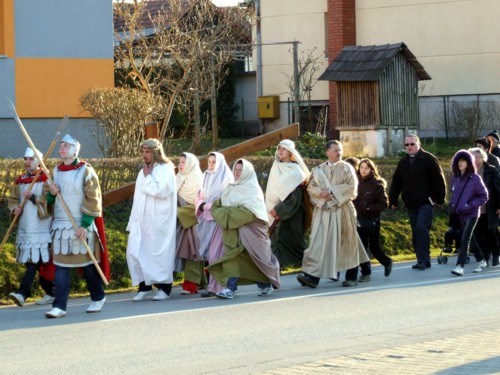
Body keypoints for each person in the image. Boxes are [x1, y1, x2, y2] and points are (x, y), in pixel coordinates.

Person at [45, 134, 109, 318]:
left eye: (65, 146)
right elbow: (48, 201)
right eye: (61, 146)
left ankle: (98, 297)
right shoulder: (55, 172)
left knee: (88, 266)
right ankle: (59, 306)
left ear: (74, 149)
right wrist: (51, 193)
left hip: (81, 226)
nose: (61, 149)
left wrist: (85, 224)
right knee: (61, 267)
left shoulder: (86, 171)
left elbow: (93, 198)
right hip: (60, 228)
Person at [297, 140, 369, 288]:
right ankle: (311, 277)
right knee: (318, 244)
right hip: (324, 212)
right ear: (327, 152)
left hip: (342, 211)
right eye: (336, 150)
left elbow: (352, 188)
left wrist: (331, 191)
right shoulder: (318, 170)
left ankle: (351, 276)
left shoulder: (347, 168)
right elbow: (311, 189)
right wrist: (322, 194)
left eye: (340, 150)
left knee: (347, 243)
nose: (339, 153)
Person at [207, 159, 281, 299]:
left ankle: (265, 285)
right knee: (233, 259)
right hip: (234, 235)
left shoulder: (252, 190)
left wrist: (226, 214)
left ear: (247, 172)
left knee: (255, 259)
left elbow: (248, 213)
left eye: (240, 170)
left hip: (252, 234)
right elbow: (216, 207)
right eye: (235, 169)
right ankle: (230, 289)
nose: (237, 173)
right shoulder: (230, 188)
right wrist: (227, 213)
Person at [126, 139, 177, 302]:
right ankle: (144, 286)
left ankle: (164, 288)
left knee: (158, 254)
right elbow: (138, 197)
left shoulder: (166, 168)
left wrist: (148, 177)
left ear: (155, 152)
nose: (144, 155)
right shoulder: (144, 170)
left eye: (147, 152)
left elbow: (161, 191)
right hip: (141, 219)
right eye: (142, 152)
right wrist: (133, 219)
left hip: (158, 221)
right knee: (136, 251)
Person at [389, 134, 446, 270]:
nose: (409, 147)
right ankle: (422, 259)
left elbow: (439, 179)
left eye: (412, 144)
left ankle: (423, 259)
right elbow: (396, 183)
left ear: (418, 144)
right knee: (415, 231)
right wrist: (393, 200)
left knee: (421, 228)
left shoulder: (428, 159)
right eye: (407, 145)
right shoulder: (403, 162)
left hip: (426, 202)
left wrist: (440, 198)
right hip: (411, 203)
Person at [8, 147, 55, 307]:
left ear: (38, 161)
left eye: (31, 159)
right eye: (25, 159)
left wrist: (34, 197)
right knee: (34, 263)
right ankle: (51, 293)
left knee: (34, 263)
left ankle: (23, 293)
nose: (27, 162)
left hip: (42, 228)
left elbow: (51, 202)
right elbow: (13, 199)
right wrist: (15, 209)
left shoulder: (46, 179)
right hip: (25, 228)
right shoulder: (20, 180)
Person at [265, 139, 310, 268]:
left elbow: (296, 196)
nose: (280, 151)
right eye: (279, 148)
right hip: (276, 212)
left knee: (296, 242)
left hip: (293, 213)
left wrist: (279, 210)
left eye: (283, 148)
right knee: (275, 241)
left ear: (290, 152)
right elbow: (271, 190)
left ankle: (311, 269)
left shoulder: (296, 170)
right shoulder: (275, 167)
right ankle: (274, 272)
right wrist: (272, 208)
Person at [196, 152, 233, 297]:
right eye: (209, 162)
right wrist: (202, 204)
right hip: (205, 219)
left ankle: (220, 286)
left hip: (218, 221)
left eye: (213, 162)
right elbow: (199, 196)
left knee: (216, 254)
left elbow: (226, 199)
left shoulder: (227, 178)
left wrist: (210, 205)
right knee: (206, 253)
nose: (211, 165)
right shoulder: (205, 176)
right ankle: (211, 286)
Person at [449, 150, 488, 276]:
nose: (460, 163)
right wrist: (453, 205)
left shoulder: (475, 179)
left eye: (463, 161)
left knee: (465, 238)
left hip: (472, 213)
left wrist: (470, 205)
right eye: (458, 161)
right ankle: (481, 260)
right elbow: (454, 195)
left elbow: (484, 196)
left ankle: (460, 266)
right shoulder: (455, 178)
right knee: (470, 238)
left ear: (468, 162)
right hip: (459, 214)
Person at [353, 158, 393, 282]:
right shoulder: (355, 182)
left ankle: (387, 262)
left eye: (366, 168)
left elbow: (384, 203)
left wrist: (369, 208)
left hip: (372, 220)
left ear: (371, 169)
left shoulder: (377, 184)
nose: (363, 170)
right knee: (362, 247)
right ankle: (365, 273)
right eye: (362, 167)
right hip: (358, 219)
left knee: (374, 247)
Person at [175, 152, 205, 294]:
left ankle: (190, 284)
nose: (180, 165)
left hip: (194, 220)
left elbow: (199, 203)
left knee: (193, 250)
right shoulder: (179, 178)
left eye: (183, 162)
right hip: (182, 221)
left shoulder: (197, 179)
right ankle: (203, 282)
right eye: (179, 162)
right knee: (191, 250)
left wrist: (178, 213)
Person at [469, 147, 500, 267]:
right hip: (474, 208)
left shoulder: (491, 170)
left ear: (483, 158)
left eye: (478, 157)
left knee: (490, 232)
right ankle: (485, 255)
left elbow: (498, 189)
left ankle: (496, 253)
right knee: (478, 233)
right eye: (473, 157)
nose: (475, 160)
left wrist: (499, 205)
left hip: (489, 206)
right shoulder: (469, 172)